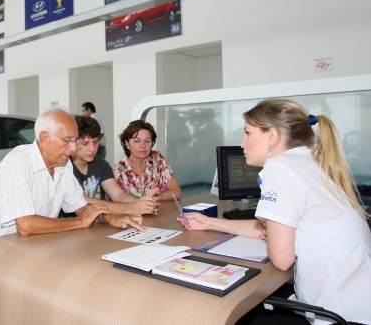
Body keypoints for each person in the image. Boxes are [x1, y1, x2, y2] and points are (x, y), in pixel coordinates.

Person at [178, 98, 371, 324]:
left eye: (248, 133)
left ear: (272, 136)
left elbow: (281, 260)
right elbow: (269, 229)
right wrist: (211, 223)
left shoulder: (280, 167)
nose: (242, 143)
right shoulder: (311, 161)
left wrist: (274, 235)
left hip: (338, 315)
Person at [0, 108, 143, 243]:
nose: (73, 148)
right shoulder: (17, 162)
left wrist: (111, 218)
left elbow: (80, 207)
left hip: (37, 241)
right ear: (45, 138)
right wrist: (80, 222)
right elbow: (26, 225)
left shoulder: (62, 164)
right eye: (67, 140)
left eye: (74, 140)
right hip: (1, 247)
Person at [70, 115, 159, 216]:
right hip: (64, 225)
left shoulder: (101, 164)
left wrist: (142, 202)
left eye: (95, 142)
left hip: (90, 224)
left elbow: (117, 195)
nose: (92, 149)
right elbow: (83, 200)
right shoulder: (64, 167)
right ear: (72, 142)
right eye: (85, 143)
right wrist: (131, 208)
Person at [113, 119, 182, 201]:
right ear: (127, 144)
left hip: (160, 212)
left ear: (152, 143)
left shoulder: (157, 160)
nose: (143, 145)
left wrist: (154, 198)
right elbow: (112, 203)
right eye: (137, 141)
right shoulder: (117, 171)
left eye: (147, 141)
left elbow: (176, 191)